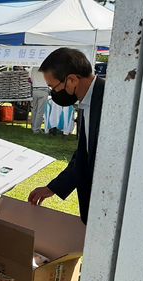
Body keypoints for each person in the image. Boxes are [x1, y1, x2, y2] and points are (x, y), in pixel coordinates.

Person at [27, 47, 104, 222]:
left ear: (72, 80)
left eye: (53, 87)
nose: (52, 93)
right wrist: (53, 187)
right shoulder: (88, 101)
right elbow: (83, 155)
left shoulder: (109, 101)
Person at [29, 66, 50, 134]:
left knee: (34, 110)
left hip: (35, 90)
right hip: (44, 90)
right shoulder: (47, 68)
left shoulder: (33, 68)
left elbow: (31, 79)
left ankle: (34, 127)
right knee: (40, 111)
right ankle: (36, 129)